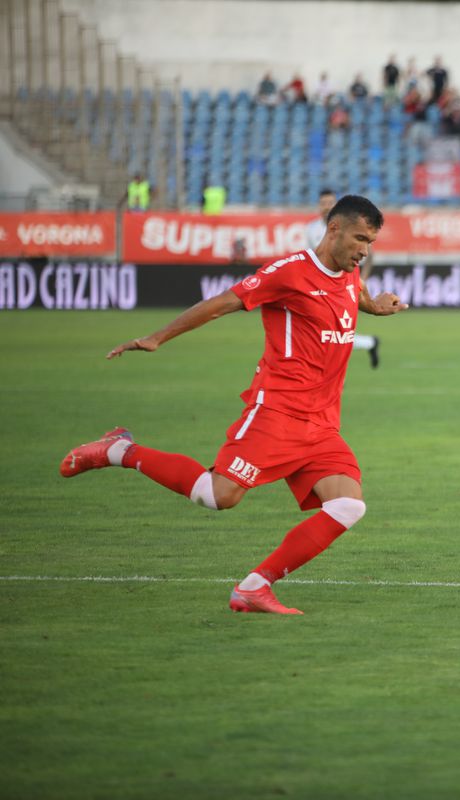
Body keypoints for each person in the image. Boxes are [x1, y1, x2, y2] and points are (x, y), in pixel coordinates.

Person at [59, 196, 406, 615]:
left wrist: (376, 307)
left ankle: (254, 587)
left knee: (348, 505)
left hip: (321, 425)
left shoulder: (350, 275)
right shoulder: (289, 273)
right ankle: (119, 449)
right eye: (360, 238)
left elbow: (355, 298)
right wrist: (157, 337)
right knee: (216, 496)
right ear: (334, 230)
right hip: (277, 413)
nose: (365, 250)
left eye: (370, 242)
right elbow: (222, 302)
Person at [307, 188, 381, 368]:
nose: (326, 207)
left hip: (344, 284)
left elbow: (370, 255)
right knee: (329, 332)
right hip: (320, 286)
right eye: (323, 203)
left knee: (333, 331)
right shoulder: (311, 230)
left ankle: (330, 370)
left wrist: (360, 279)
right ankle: (369, 343)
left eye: (329, 203)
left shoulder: (350, 227)